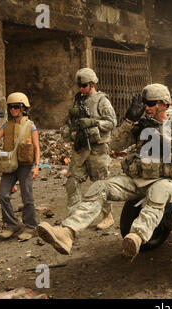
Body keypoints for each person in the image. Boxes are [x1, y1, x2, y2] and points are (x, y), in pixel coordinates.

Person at [37, 83, 172, 260]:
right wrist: (129, 122)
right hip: (137, 179)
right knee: (100, 187)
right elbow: (114, 145)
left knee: (158, 196)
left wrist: (167, 144)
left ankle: (136, 237)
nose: (147, 107)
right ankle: (67, 232)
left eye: (151, 103)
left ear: (164, 104)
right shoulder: (142, 125)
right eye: (145, 103)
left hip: (164, 180)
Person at [60, 68, 117, 230]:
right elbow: (66, 122)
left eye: (84, 86)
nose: (81, 89)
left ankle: (108, 215)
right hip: (80, 148)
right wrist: (69, 128)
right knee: (72, 181)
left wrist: (94, 123)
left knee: (100, 184)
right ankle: (75, 216)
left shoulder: (102, 101)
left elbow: (112, 122)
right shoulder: (77, 101)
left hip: (97, 149)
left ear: (92, 84)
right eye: (79, 86)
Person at [0, 92, 41, 240]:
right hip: (9, 165)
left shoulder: (30, 126)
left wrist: (37, 166)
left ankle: (31, 226)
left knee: (27, 197)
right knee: (3, 194)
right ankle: (12, 224)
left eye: (16, 107)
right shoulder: (6, 125)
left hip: (26, 165)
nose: (13, 110)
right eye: (10, 107)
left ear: (23, 108)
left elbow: (37, 147)